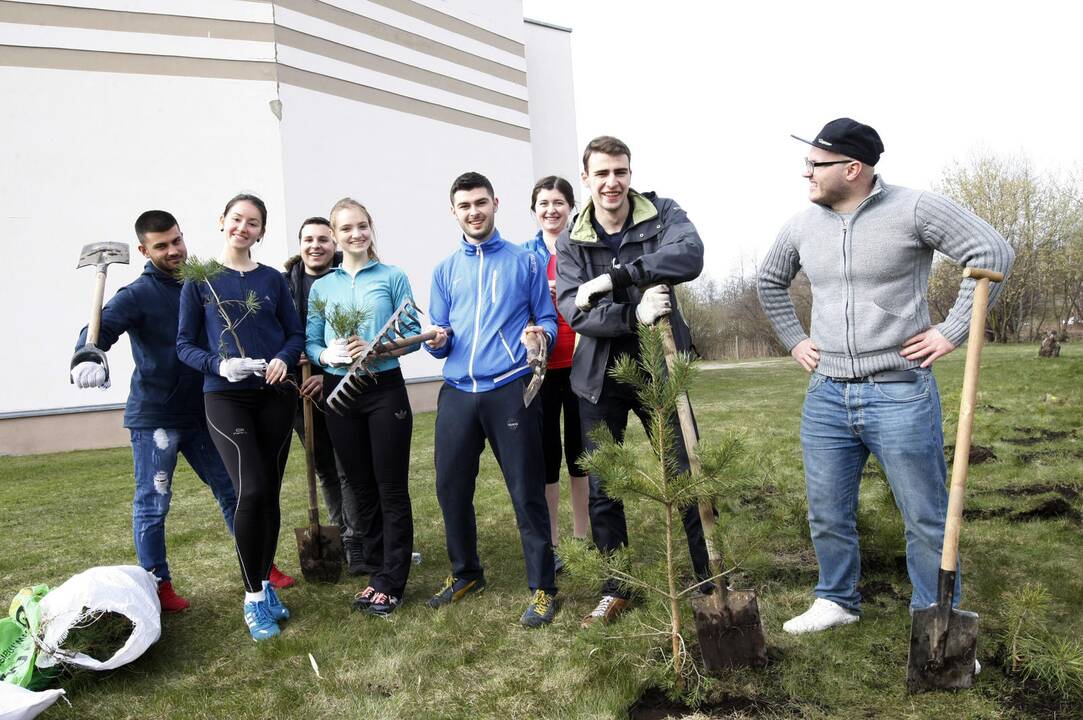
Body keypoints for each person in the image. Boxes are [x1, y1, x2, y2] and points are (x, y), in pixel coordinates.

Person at [757, 117, 1014, 636]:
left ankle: (934, 618)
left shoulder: (915, 208)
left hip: (899, 390)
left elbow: (992, 252)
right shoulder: (802, 225)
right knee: (827, 511)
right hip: (827, 393)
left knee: (926, 517)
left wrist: (952, 330)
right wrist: (795, 339)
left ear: (853, 169)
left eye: (816, 164)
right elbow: (768, 279)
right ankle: (836, 599)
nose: (805, 172)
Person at [69, 210, 294, 615]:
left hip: (208, 409)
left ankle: (260, 565)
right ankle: (158, 583)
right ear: (143, 250)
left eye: (177, 240)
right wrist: (87, 353)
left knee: (237, 491)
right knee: (153, 504)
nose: (173, 250)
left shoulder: (205, 280)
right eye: (161, 246)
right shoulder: (139, 294)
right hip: (157, 415)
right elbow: (100, 327)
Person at [555, 135, 711, 629]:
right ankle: (616, 588)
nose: (612, 182)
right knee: (604, 486)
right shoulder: (573, 239)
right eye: (601, 173)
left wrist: (618, 277)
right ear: (586, 178)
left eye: (619, 171)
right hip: (599, 379)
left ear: (630, 173)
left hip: (661, 368)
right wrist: (632, 312)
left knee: (686, 474)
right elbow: (572, 310)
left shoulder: (661, 214)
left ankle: (710, 578)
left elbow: (690, 255)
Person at [423, 171, 559, 627]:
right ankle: (466, 574)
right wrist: (436, 341)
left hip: (510, 388)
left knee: (526, 491)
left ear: (496, 203)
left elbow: (546, 317)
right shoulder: (444, 269)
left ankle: (542, 589)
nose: (474, 211)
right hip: (458, 392)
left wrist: (543, 335)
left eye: (480, 202)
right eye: (464, 205)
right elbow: (438, 334)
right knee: (451, 488)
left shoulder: (524, 262)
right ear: (453, 211)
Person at [177, 193, 304, 641]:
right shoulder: (202, 281)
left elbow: (295, 334)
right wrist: (219, 364)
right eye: (236, 219)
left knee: (268, 491)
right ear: (222, 222)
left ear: (262, 232)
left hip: (274, 394)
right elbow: (184, 344)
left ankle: (265, 585)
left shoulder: (272, 280)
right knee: (249, 488)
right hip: (226, 398)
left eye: (253, 223)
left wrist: (285, 360)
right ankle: (252, 599)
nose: (243, 228)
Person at [306, 198, 419, 616]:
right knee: (359, 485)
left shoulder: (392, 276)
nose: (356, 234)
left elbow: (410, 332)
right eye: (347, 229)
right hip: (340, 392)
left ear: (371, 228)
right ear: (335, 236)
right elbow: (311, 342)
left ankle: (392, 579)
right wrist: (326, 356)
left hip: (383, 387)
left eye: (362, 226)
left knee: (390, 486)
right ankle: (375, 566)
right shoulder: (323, 287)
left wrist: (377, 347)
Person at [284, 217, 373, 575]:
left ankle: (357, 539)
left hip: (339, 384)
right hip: (298, 390)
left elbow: (359, 333)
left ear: (333, 243)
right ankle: (336, 535)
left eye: (323, 239)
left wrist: (324, 374)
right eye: (308, 239)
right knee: (322, 467)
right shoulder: (286, 283)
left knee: (348, 466)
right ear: (300, 243)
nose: (315, 245)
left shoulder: (344, 281)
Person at [521, 176, 590, 570]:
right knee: (546, 456)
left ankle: (582, 537)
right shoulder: (523, 256)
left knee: (580, 453)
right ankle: (551, 541)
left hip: (582, 365)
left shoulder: (582, 249)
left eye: (559, 202)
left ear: (570, 207)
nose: (551, 209)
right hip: (542, 370)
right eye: (544, 203)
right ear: (534, 210)